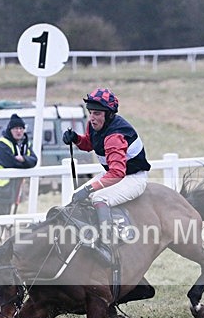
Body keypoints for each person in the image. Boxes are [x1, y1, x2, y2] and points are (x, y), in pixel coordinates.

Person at [62, 88, 151, 263]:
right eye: (90, 113)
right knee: (76, 197)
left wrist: (89, 188)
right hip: (114, 173)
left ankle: (106, 244)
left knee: (98, 198)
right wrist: (76, 138)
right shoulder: (94, 125)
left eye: (96, 113)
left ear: (109, 115)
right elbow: (89, 144)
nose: (92, 117)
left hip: (132, 178)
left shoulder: (115, 136)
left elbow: (117, 173)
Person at [0, 113, 38, 216]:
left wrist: (23, 159)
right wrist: (26, 163)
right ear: (10, 130)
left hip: (11, 188)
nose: (19, 131)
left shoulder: (24, 144)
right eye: (15, 128)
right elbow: (11, 163)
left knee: (7, 219)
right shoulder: (2, 144)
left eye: (21, 128)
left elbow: (34, 160)